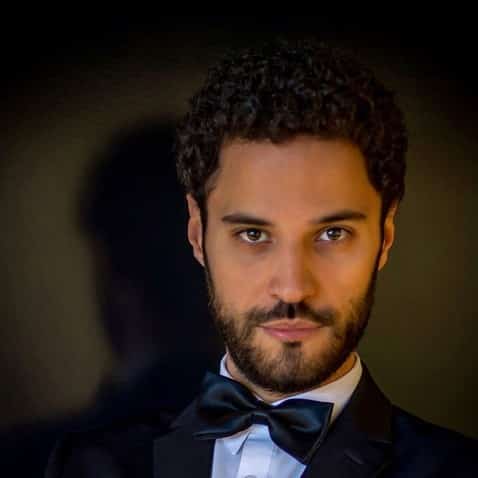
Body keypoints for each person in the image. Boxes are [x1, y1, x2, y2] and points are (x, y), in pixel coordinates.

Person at [47, 39, 477, 477]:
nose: (292, 289)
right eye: (253, 234)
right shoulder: (89, 465)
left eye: (332, 233)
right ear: (197, 234)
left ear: (384, 237)